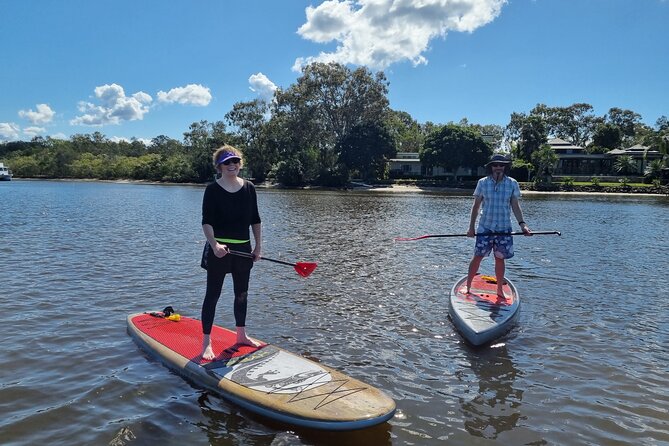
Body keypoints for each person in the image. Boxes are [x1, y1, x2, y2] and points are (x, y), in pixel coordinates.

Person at [200, 145, 262, 360]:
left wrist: (258, 246)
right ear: (219, 166)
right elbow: (206, 222)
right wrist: (215, 245)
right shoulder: (212, 190)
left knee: (241, 294)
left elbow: (255, 219)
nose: (232, 165)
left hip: (243, 249)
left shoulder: (250, 188)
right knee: (213, 295)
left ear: (240, 164)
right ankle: (206, 343)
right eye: (227, 162)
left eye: (235, 161)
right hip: (220, 250)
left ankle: (241, 336)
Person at [466, 154, 532, 297]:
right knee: (477, 256)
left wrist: (523, 225)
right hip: (485, 227)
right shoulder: (482, 183)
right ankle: (469, 286)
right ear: (491, 167)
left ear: (505, 167)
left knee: (500, 259)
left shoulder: (512, 183)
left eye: (501, 165)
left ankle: (499, 290)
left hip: (504, 228)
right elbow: (476, 206)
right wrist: (471, 227)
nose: (498, 168)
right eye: (495, 165)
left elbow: (515, 205)